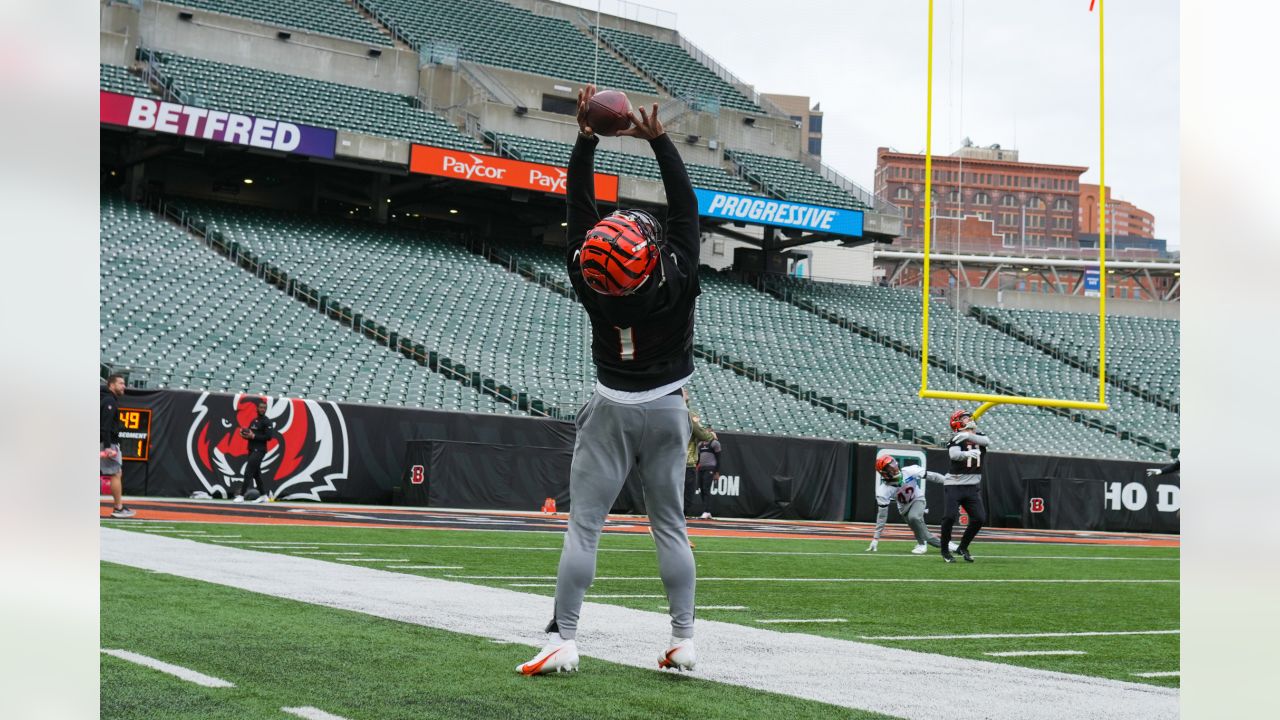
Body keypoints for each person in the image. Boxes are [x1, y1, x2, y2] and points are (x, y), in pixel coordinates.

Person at [517, 85, 700, 676]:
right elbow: (684, 207)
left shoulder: (587, 278)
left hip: (610, 406)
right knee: (669, 526)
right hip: (669, 407)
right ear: (650, 257)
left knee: (585, 526)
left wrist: (585, 140)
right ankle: (684, 638)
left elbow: (577, 208)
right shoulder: (675, 275)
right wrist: (660, 141)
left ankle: (563, 636)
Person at [867, 456, 957, 555]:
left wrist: (948, 481)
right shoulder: (883, 491)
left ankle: (947, 545)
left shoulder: (909, 471)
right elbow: (882, 516)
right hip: (904, 507)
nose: (894, 468)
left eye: (893, 464)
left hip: (917, 499)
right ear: (884, 472)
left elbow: (932, 476)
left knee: (914, 518)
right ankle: (921, 544)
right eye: (890, 467)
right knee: (916, 527)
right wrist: (876, 538)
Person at [939, 409, 990, 563]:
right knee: (949, 517)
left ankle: (963, 546)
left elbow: (986, 442)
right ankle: (945, 551)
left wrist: (968, 435)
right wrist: (965, 454)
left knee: (979, 518)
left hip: (972, 486)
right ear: (957, 422)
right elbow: (954, 455)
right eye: (965, 418)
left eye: (969, 417)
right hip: (955, 484)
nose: (969, 420)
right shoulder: (956, 438)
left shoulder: (978, 436)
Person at [100, 374, 134, 518]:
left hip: (104, 441)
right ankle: (118, 508)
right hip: (107, 442)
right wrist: (107, 446)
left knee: (116, 472)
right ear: (111, 385)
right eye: (121, 383)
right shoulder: (109, 400)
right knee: (115, 473)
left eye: (124, 383)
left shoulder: (106, 398)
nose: (124, 386)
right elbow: (105, 425)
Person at [234, 397, 279, 503]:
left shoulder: (267, 422)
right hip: (251, 449)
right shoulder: (254, 421)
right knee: (256, 474)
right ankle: (263, 495)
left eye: (265, 408)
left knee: (248, 471)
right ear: (257, 409)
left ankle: (241, 496)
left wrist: (253, 436)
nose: (263, 409)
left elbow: (269, 437)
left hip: (260, 450)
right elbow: (250, 434)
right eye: (261, 407)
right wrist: (244, 435)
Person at [683, 398, 714, 518]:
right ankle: (681, 515)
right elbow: (703, 435)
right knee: (687, 491)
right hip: (687, 461)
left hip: (671, 460)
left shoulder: (668, 414)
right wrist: (711, 435)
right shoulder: (689, 415)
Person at [695, 430, 722, 520]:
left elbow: (719, 458)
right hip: (701, 469)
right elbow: (698, 458)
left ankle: (706, 511)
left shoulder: (715, 443)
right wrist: (695, 467)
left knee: (706, 489)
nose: (705, 434)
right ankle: (707, 511)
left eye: (708, 432)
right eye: (704, 432)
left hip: (710, 468)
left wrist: (717, 472)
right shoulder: (700, 445)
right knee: (701, 489)